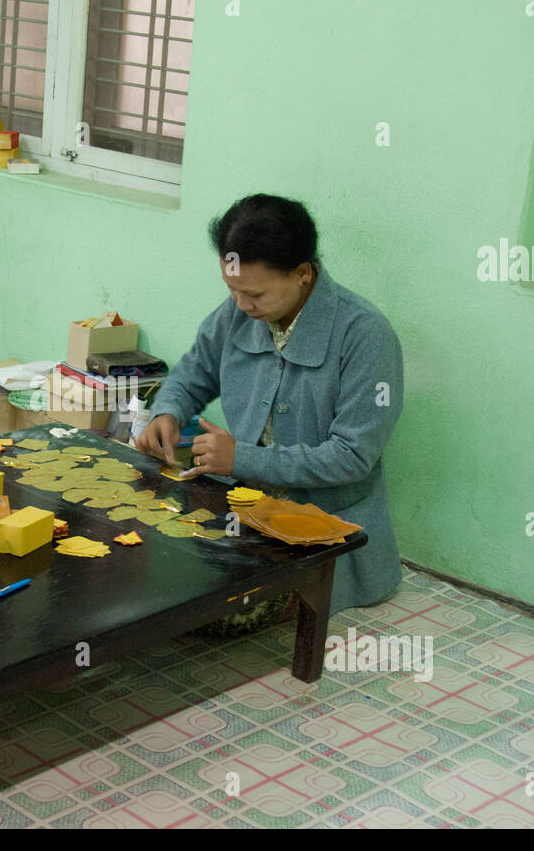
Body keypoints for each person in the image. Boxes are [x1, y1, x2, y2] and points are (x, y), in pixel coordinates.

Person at [136, 193, 404, 620]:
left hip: (319, 529)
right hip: (243, 509)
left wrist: (242, 458)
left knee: (207, 612)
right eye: (231, 289)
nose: (241, 305)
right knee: (146, 565)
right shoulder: (239, 311)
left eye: (254, 293)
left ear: (302, 274)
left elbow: (353, 457)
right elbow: (192, 373)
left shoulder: (364, 335)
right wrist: (166, 412)